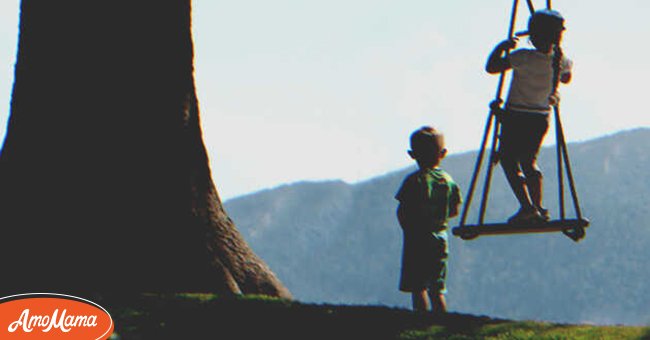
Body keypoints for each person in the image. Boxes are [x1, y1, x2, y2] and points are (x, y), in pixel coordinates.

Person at [485, 9, 573, 224]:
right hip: (540, 118)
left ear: (533, 36)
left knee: (508, 160)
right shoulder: (561, 62)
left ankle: (527, 207)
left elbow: (492, 67)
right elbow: (566, 78)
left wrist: (503, 46)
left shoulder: (522, 57)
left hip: (515, 116)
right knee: (529, 161)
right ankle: (539, 207)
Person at [395, 126, 462, 313]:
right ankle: (440, 321)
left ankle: (421, 320)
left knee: (418, 286)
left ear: (412, 154)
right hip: (441, 238)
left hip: (417, 238)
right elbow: (454, 210)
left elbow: (403, 210)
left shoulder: (413, 181)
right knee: (437, 288)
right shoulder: (449, 181)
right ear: (443, 153)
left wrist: (408, 227)